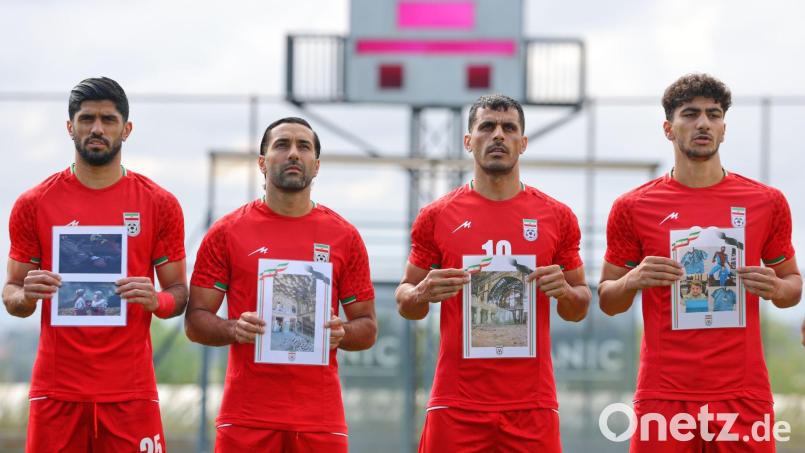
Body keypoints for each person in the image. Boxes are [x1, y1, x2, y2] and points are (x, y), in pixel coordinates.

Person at [599, 73, 802, 451]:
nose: (703, 123)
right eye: (690, 114)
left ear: (724, 128)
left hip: (742, 394)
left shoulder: (766, 202)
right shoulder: (632, 206)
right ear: (668, 128)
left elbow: (793, 288)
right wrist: (633, 280)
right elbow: (609, 300)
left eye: (714, 114)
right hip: (664, 394)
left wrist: (775, 287)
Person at [395, 94, 591, 452]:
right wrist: (421, 292)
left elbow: (579, 307)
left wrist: (564, 291)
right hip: (456, 402)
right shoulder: (437, 216)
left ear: (523, 142)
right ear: (468, 141)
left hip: (531, 404)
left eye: (509, 128)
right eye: (487, 126)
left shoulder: (556, 216)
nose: (498, 135)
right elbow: (406, 300)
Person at [2, 77, 188, 452]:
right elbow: (11, 293)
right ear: (70, 127)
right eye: (87, 119)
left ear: (126, 129)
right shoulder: (34, 203)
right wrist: (27, 296)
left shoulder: (159, 204)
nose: (97, 129)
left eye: (108, 119)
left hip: (130, 393)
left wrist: (157, 301)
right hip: (56, 392)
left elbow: (179, 293)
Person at [185, 117, 377, 453]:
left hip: (319, 419)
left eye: (304, 147)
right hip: (246, 417)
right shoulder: (227, 232)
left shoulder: (344, 237)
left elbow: (368, 328)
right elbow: (195, 321)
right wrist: (234, 328)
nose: (293, 154)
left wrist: (342, 333)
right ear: (262, 162)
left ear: (316, 165)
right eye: (282, 145)